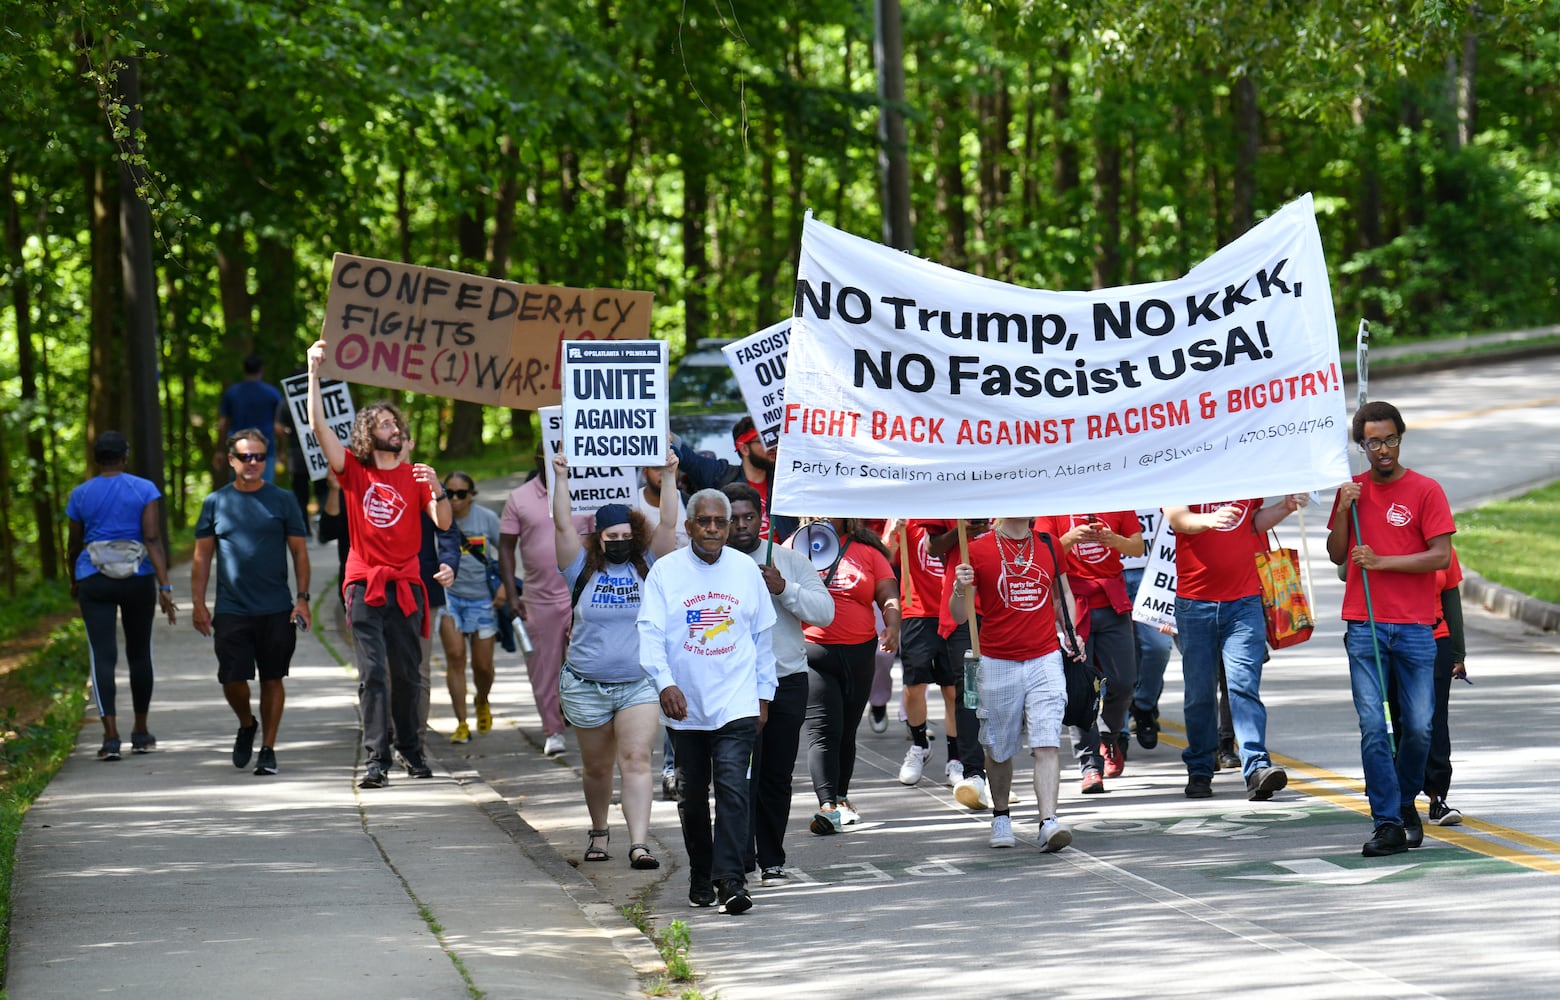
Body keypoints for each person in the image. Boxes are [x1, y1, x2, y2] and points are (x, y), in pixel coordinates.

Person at [307, 339, 450, 788]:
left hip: (407, 584)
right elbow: (318, 429)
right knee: (372, 674)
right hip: (363, 583)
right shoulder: (353, 470)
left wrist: (439, 488)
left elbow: (441, 522)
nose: (393, 428)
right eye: (384, 423)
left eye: (395, 422)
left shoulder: (416, 475)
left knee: (408, 674)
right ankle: (376, 759)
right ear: (370, 434)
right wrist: (314, 372)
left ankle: (411, 749)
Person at [637, 488, 776, 915]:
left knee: (735, 787)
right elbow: (650, 633)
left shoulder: (745, 570)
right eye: (704, 522)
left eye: (720, 522)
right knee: (692, 794)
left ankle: (731, 880)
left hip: (736, 700)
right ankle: (702, 870)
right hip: (685, 705)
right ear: (689, 525)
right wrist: (664, 684)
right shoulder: (666, 571)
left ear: (730, 526)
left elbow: (761, 638)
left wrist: (763, 694)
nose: (713, 529)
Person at [1327, 401, 1454, 857]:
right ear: (1361, 446)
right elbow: (1337, 554)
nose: (1383, 449)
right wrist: (1343, 509)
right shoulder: (1353, 491)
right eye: (1373, 441)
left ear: (1401, 437)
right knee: (1373, 727)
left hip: (1417, 627)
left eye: (1390, 439)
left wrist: (1383, 562)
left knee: (1418, 727)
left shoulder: (1425, 490)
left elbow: (1440, 556)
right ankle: (1386, 822)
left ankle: (1403, 805)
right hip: (1366, 624)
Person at [554, 453, 680, 870]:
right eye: (612, 535)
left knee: (637, 759)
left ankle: (640, 844)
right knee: (597, 768)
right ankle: (598, 831)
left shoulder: (649, 565)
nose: (620, 541)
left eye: (627, 533)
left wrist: (668, 475)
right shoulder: (580, 569)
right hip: (586, 685)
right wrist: (561, 477)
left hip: (639, 683)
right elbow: (560, 523)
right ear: (598, 537)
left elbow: (667, 525)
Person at [724, 483, 835, 887]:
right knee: (738, 775)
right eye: (731, 518)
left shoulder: (789, 560)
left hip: (786, 680)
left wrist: (784, 588)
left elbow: (825, 613)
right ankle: (738, 856)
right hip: (733, 685)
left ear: (762, 518)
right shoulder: (712, 565)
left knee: (776, 775)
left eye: (748, 517)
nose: (740, 526)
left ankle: (771, 858)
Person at [1166, 492, 1308, 801]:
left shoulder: (1243, 467)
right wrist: (1209, 519)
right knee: (1199, 693)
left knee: (1244, 687)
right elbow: (1178, 519)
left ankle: (1257, 768)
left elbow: (1253, 522)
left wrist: (1285, 507)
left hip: (1244, 601)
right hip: (1195, 603)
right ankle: (1200, 768)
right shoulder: (1180, 463)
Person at [190, 428, 312, 775]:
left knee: (273, 677)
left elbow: (299, 552)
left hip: (276, 607)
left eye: (259, 456)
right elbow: (202, 558)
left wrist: (302, 599)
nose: (253, 462)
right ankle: (247, 723)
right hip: (232, 608)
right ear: (231, 460)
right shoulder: (215, 502)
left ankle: (268, 749)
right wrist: (198, 603)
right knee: (232, 678)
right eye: (245, 456)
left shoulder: (283, 499)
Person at [950, 516, 1075, 853]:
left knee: (1047, 741)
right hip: (997, 659)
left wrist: (1073, 637)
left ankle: (1048, 822)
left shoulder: (1049, 543)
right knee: (998, 748)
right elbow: (959, 615)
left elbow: (1063, 594)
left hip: (1045, 656)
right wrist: (960, 587)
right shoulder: (976, 549)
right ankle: (1001, 814)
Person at [66, 430, 178, 760]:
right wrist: (164, 586)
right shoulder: (144, 489)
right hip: (137, 578)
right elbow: (153, 539)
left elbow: (74, 545)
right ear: (125, 457)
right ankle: (141, 733)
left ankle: (110, 738)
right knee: (139, 653)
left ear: (96, 458)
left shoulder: (80, 494)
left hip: (94, 579)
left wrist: (74, 579)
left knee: (102, 656)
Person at [791, 517, 901, 834]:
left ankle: (840, 798)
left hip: (859, 654)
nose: (823, 513)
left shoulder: (867, 551)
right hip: (813, 652)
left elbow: (888, 593)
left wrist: (893, 625)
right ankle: (826, 805)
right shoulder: (794, 546)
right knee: (825, 730)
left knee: (846, 730)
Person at [1036, 511, 1144, 792]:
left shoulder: (1116, 500)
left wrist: (1114, 539)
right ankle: (1089, 765)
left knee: (1124, 681)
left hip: (1112, 600)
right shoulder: (1054, 506)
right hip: (1072, 602)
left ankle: (1109, 735)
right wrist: (1069, 539)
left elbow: (1137, 546)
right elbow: (1042, 553)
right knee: (1079, 688)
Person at [498, 450, 592, 757]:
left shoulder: (587, 489)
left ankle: (591, 722)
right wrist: (512, 595)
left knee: (588, 663)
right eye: (548, 454)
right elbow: (506, 547)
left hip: (580, 594)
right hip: (538, 599)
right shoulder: (520, 497)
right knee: (543, 668)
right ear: (538, 458)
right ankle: (553, 730)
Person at [1390, 545, 1467, 827]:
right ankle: (1400, 798)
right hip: (1392, 640)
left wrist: (1458, 654)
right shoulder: (1385, 541)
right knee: (1401, 719)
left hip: (1436, 638)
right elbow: (1344, 572)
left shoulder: (1443, 549)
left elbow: (1451, 598)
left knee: (1433, 721)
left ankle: (1437, 797)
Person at [891, 518, 970, 789]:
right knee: (914, 685)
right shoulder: (907, 518)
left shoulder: (958, 516)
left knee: (952, 689)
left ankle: (955, 758)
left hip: (953, 607)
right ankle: (919, 745)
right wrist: (893, 532)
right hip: (918, 611)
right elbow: (888, 557)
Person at [440, 472, 501, 745]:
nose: (454, 499)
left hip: (483, 600)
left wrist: (505, 587)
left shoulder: (486, 519)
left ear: (471, 495)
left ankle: (482, 699)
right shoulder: (436, 518)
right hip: (449, 599)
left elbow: (508, 551)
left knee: (483, 667)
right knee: (455, 657)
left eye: (461, 494)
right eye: (449, 492)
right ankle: (462, 723)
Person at [671, 417, 797, 542]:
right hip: (737, 559)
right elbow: (685, 455)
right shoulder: (721, 475)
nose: (773, 447)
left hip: (781, 558)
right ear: (744, 449)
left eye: (775, 441)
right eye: (766, 441)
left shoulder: (786, 480)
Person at [1123, 508, 1173, 750]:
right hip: (1114, 572)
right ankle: (1115, 734)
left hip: (1155, 569)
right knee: (1120, 655)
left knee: (1158, 646)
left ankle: (1143, 705)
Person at [216, 354, 284, 483]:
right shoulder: (272, 393)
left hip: (239, 451)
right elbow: (279, 427)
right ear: (261, 370)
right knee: (264, 492)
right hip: (265, 451)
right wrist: (281, 451)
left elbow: (223, 424)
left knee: (238, 492)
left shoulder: (232, 392)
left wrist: (219, 450)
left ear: (244, 369)